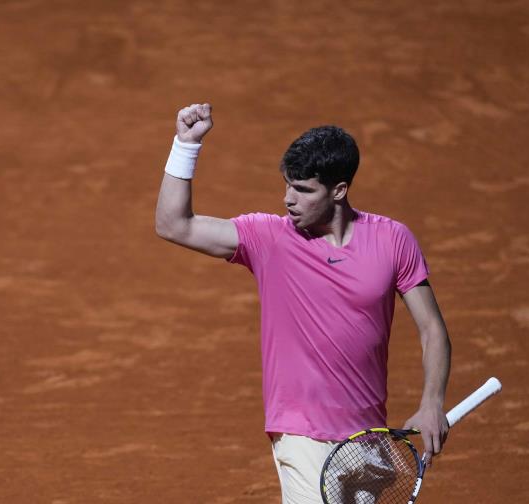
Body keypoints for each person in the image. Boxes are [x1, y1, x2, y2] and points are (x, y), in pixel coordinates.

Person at [155, 103, 451, 504]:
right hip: (302, 435)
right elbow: (174, 224)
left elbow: (432, 328)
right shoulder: (270, 239)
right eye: (287, 185)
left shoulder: (393, 240)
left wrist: (432, 402)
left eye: (303, 189)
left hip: (367, 439)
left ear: (339, 190)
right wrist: (185, 145)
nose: (288, 198)